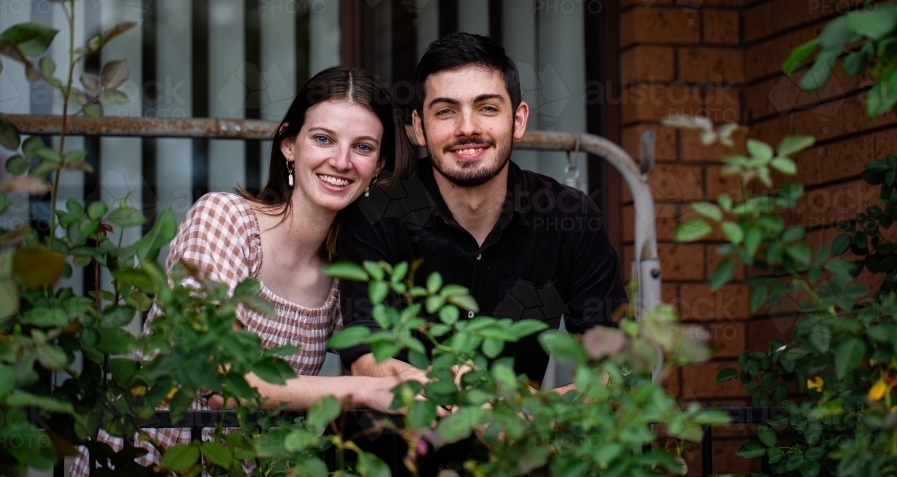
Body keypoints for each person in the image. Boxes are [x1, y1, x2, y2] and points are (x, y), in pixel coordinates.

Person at [72, 66, 420, 475]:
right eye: (323, 139)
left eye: (362, 147)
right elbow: (219, 381)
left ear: (377, 166)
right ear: (290, 144)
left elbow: (372, 360)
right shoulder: (224, 220)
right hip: (144, 460)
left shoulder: (349, 270)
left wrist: (422, 382)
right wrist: (367, 391)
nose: (341, 161)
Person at [336, 33, 628, 386]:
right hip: (406, 435)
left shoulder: (570, 217)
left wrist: (531, 414)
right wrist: (465, 400)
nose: (468, 128)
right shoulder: (375, 215)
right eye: (445, 111)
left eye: (487, 108)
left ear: (518, 120)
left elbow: (616, 365)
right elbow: (366, 357)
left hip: (522, 437)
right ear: (419, 128)